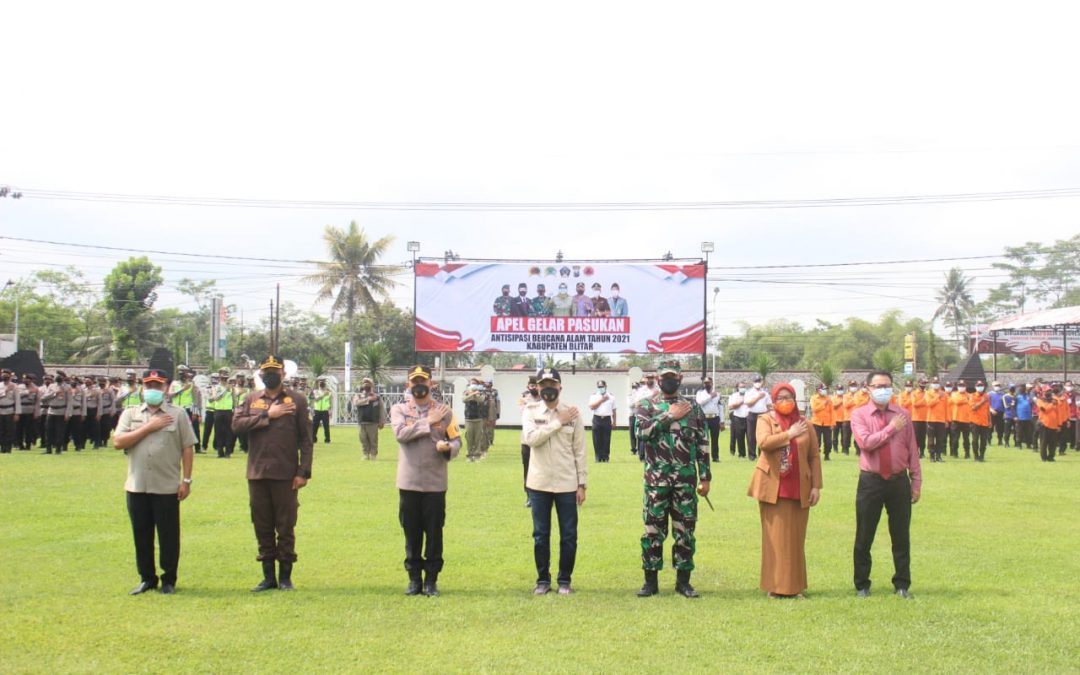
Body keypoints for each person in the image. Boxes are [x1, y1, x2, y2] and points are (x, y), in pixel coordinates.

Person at [231, 355, 314, 592]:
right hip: (257, 472)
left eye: (274, 371)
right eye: (266, 371)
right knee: (262, 525)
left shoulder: (297, 400)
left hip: (286, 473)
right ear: (260, 374)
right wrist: (268, 415)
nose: (270, 375)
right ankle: (268, 577)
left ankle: (285, 577)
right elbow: (236, 426)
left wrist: (303, 472)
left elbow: (306, 440)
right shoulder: (251, 399)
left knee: (286, 525)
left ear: (283, 374)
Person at [113, 369, 196, 595]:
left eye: (157, 385)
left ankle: (169, 579)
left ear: (166, 388)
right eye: (148, 385)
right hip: (137, 485)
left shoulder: (178, 414)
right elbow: (118, 442)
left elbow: (188, 448)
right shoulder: (130, 413)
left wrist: (186, 480)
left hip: (166, 485)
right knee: (141, 534)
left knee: (168, 536)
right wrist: (149, 427)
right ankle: (147, 578)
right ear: (142, 387)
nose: (152, 389)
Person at [634, 360, 711, 598]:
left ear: (680, 379)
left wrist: (705, 477)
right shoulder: (646, 405)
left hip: (685, 482)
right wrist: (669, 415)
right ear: (658, 379)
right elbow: (641, 432)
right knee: (652, 532)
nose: (669, 380)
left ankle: (683, 582)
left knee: (685, 532)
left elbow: (702, 443)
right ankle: (650, 582)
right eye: (664, 377)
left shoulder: (693, 407)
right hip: (656, 482)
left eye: (673, 377)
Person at [850, 370, 923, 599]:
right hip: (871, 481)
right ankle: (862, 585)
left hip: (898, 480)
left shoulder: (903, 414)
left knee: (901, 535)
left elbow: (912, 449)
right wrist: (891, 429)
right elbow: (866, 443)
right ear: (868, 388)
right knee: (864, 535)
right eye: (878, 386)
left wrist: (916, 481)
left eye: (887, 385)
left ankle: (902, 584)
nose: (883, 390)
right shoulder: (859, 415)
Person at [391, 365, 460, 596]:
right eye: (415, 381)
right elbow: (401, 434)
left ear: (431, 384)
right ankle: (414, 580)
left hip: (434, 483)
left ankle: (431, 580)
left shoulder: (445, 411)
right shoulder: (400, 409)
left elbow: (457, 441)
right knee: (411, 532)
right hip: (409, 482)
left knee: (434, 532)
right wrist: (428, 422)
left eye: (423, 381)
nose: (419, 385)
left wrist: (448, 447)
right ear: (408, 385)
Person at [748, 383, 822, 598]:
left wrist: (816, 486)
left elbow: (814, 456)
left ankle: (795, 588)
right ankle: (775, 587)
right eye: (779, 397)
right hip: (774, 488)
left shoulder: (806, 424)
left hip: (800, 488)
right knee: (775, 539)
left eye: (788, 397)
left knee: (795, 541)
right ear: (773, 401)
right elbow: (764, 443)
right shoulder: (765, 420)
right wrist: (789, 434)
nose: (784, 401)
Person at [523, 368, 587, 595]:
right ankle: (542, 581)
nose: (548, 388)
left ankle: (564, 581)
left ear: (560, 386)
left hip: (567, 483)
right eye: (543, 384)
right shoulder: (530, 411)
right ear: (537, 387)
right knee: (540, 535)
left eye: (552, 384)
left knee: (569, 535)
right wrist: (557, 422)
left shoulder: (573, 413)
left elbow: (580, 451)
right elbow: (531, 439)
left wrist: (582, 484)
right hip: (539, 483)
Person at [519, 376, 541, 506]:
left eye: (536, 385)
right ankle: (529, 496)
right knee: (527, 469)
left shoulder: (545, 398)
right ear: (528, 387)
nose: (534, 388)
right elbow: (525, 411)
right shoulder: (524, 399)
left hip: (542, 439)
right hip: (527, 440)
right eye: (531, 386)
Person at [169, 367, 203, 453]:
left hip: (188, 409)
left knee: (194, 428)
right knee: (175, 428)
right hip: (176, 408)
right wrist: (182, 389)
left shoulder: (191, 384)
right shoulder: (174, 383)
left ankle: (198, 447)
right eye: (180, 374)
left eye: (184, 374)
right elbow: (170, 395)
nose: (182, 376)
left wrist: (196, 412)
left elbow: (195, 399)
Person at [354, 377, 384, 460]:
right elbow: (356, 403)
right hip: (362, 421)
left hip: (373, 422)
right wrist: (368, 400)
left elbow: (381, 409)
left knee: (373, 439)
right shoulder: (359, 395)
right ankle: (365, 454)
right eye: (364, 383)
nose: (366, 385)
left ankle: (373, 455)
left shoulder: (377, 397)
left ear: (371, 385)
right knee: (363, 439)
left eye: (368, 383)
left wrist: (382, 421)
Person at [695, 377, 724, 463]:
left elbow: (721, 408)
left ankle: (715, 457)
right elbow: (700, 402)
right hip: (704, 418)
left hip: (715, 418)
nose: (707, 384)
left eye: (708, 382)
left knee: (715, 439)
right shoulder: (700, 393)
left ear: (712, 383)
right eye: (705, 383)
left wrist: (722, 421)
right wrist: (710, 396)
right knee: (703, 439)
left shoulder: (717, 394)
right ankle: (702, 456)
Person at [588, 379, 616, 463]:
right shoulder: (594, 396)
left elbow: (614, 410)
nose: (601, 388)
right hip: (597, 418)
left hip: (607, 419)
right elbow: (592, 407)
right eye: (599, 387)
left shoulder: (611, 397)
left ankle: (605, 457)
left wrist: (614, 422)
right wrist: (602, 400)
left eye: (602, 386)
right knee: (597, 439)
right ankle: (598, 457)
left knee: (606, 439)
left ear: (606, 386)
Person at [745, 375, 771, 461]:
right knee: (751, 435)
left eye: (759, 381)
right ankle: (752, 455)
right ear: (753, 382)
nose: (758, 383)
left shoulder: (765, 393)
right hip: (752, 414)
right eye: (756, 381)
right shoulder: (749, 392)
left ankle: (762, 454)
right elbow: (749, 404)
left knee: (762, 435)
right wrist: (758, 397)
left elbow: (769, 405)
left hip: (763, 415)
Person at [462, 378, 488, 462]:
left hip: (478, 418)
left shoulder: (481, 392)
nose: (473, 385)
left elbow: (481, 399)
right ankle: (469, 456)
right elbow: (464, 399)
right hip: (468, 419)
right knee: (469, 438)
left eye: (474, 383)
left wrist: (475, 395)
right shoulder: (465, 392)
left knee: (478, 438)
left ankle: (477, 456)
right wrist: (471, 394)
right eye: (471, 383)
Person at [925, 377, 949, 462]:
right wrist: (937, 397)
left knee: (940, 439)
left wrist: (946, 420)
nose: (936, 384)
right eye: (934, 382)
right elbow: (929, 403)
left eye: (937, 382)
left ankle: (938, 456)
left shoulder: (944, 394)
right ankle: (932, 456)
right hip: (931, 420)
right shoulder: (928, 393)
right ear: (931, 384)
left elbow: (946, 408)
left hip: (941, 420)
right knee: (931, 439)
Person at [809, 383, 833, 461]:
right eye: (823, 389)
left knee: (828, 441)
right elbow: (814, 409)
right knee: (816, 440)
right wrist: (823, 404)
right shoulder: (814, 398)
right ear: (818, 390)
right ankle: (816, 455)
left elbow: (832, 411)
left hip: (827, 423)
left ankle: (827, 454)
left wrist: (833, 423)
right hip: (817, 423)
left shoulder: (828, 399)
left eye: (826, 389)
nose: (825, 391)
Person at [948, 380, 972, 459]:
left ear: (966, 386)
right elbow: (957, 401)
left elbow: (972, 403)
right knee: (955, 438)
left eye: (963, 385)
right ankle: (955, 453)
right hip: (956, 420)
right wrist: (966, 399)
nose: (961, 387)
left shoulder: (969, 395)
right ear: (957, 386)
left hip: (966, 420)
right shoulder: (954, 394)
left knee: (966, 439)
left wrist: (967, 398)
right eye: (960, 385)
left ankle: (967, 453)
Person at [1035, 387, 1060, 462]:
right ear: (1043, 392)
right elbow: (1045, 410)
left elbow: (1058, 413)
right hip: (1044, 424)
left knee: (1053, 443)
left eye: (1050, 391)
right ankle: (1044, 457)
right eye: (1047, 391)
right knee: (1044, 442)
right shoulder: (1040, 400)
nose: (1049, 392)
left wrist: (1059, 425)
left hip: (1054, 425)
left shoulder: (1055, 400)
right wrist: (1052, 404)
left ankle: (1051, 457)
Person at [0, 370, 22, 453]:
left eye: (6, 374)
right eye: (3, 374)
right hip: (0, 410)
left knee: (9, 430)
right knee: (1, 431)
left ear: (9, 376)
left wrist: (17, 413)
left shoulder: (14, 386)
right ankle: (2, 448)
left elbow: (17, 400)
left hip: (10, 411)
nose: (4, 376)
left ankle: (8, 448)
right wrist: (5, 391)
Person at [969, 380, 990, 461]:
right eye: (978, 385)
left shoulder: (986, 396)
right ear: (975, 387)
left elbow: (987, 410)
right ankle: (976, 456)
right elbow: (973, 407)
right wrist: (982, 401)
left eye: (981, 385)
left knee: (984, 440)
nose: (980, 387)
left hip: (984, 422)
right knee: (975, 440)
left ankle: (982, 456)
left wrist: (990, 421)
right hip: (975, 422)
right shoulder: (972, 396)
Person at [17, 373, 39, 451]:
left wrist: (36, 412)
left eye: (27, 379)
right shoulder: (19, 387)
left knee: (29, 429)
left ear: (30, 380)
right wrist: (28, 392)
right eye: (24, 379)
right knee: (19, 429)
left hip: (30, 410)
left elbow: (37, 401)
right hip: (20, 409)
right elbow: (18, 395)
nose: (25, 380)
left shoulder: (36, 388)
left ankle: (28, 444)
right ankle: (20, 445)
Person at [728, 382, 749, 458]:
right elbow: (730, 407)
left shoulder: (749, 395)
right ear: (737, 388)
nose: (743, 388)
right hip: (738, 417)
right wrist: (740, 402)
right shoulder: (734, 396)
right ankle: (742, 454)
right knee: (740, 437)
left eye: (744, 387)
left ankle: (751, 454)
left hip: (748, 418)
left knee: (750, 437)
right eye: (741, 387)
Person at [310, 377, 332, 444]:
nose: (321, 383)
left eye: (323, 382)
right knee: (315, 426)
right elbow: (316, 400)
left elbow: (329, 402)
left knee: (326, 426)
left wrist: (330, 410)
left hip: (325, 411)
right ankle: (313, 439)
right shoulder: (315, 391)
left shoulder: (329, 392)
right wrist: (323, 395)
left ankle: (327, 440)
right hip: (317, 410)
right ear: (318, 384)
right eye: (320, 382)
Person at [1015, 384, 1034, 450]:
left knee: (1028, 432)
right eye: (1021, 388)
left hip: (1028, 417)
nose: (1022, 389)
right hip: (1020, 417)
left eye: (1023, 388)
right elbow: (1013, 407)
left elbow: (1031, 404)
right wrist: (1015, 416)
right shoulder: (1017, 396)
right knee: (1019, 432)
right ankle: (1018, 444)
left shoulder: (1028, 396)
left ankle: (1028, 444)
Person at [484, 379, 500, 452]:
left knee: (491, 427)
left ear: (491, 384)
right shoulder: (482, 391)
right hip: (484, 411)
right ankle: (485, 440)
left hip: (492, 411)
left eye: (489, 383)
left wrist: (498, 412)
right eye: (486, 383)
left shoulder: (495, 392)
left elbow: (498, 402)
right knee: (485, 427)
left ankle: (490, 440)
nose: (487, 385)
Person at [989, 381, 1006, 446]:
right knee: (990, 427)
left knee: (1000, 427)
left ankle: (1000, 440)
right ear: (992, 386)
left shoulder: (1003, 394)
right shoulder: (989, 394)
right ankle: (989, 440)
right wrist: (991, 410)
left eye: (998, 385)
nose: (997, 387)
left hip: (1000, 412)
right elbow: (987, 404)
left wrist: (1004, 412)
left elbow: (1004, 404)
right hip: (992, 412)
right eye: (996, 385)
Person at [831, 384, 846, 456]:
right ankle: (835, 448)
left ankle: (844, 449)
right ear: (836, 390)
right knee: (835, 435)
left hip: (844, 419)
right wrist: (840, 402)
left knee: (844, 436)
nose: (840, 391)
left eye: (841, 389)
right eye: (838, 389)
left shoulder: (845, 398)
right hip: (836, 419)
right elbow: (833, 406)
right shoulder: (833, 398)